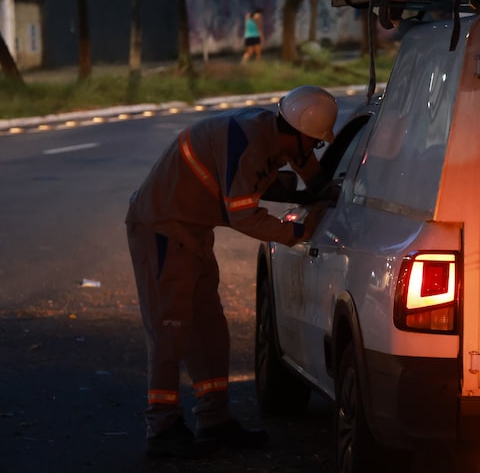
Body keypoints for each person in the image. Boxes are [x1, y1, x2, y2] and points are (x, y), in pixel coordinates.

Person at [124, 85, 338, 458]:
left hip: (190, 232)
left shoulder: (274, 133)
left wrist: (324, 189)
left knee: (209, 329)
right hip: (160, 229)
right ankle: (161, 429)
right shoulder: (250, 141)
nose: (313, 151)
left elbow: (305, 168)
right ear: (300, 134)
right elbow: (243, 214)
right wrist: (297, 232)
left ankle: (214, 420)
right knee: (170, 329)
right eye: (314, 142)